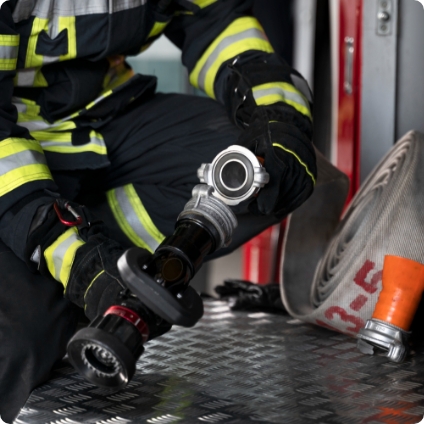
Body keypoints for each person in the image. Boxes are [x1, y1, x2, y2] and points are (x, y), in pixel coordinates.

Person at [0, 0, 316, 421]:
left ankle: (102, 267)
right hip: (13, 159)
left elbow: (214, 17)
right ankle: (67, 266)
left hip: (99, 118)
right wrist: (79, 261)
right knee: (17, 346)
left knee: (267, 175)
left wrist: (279, 116)